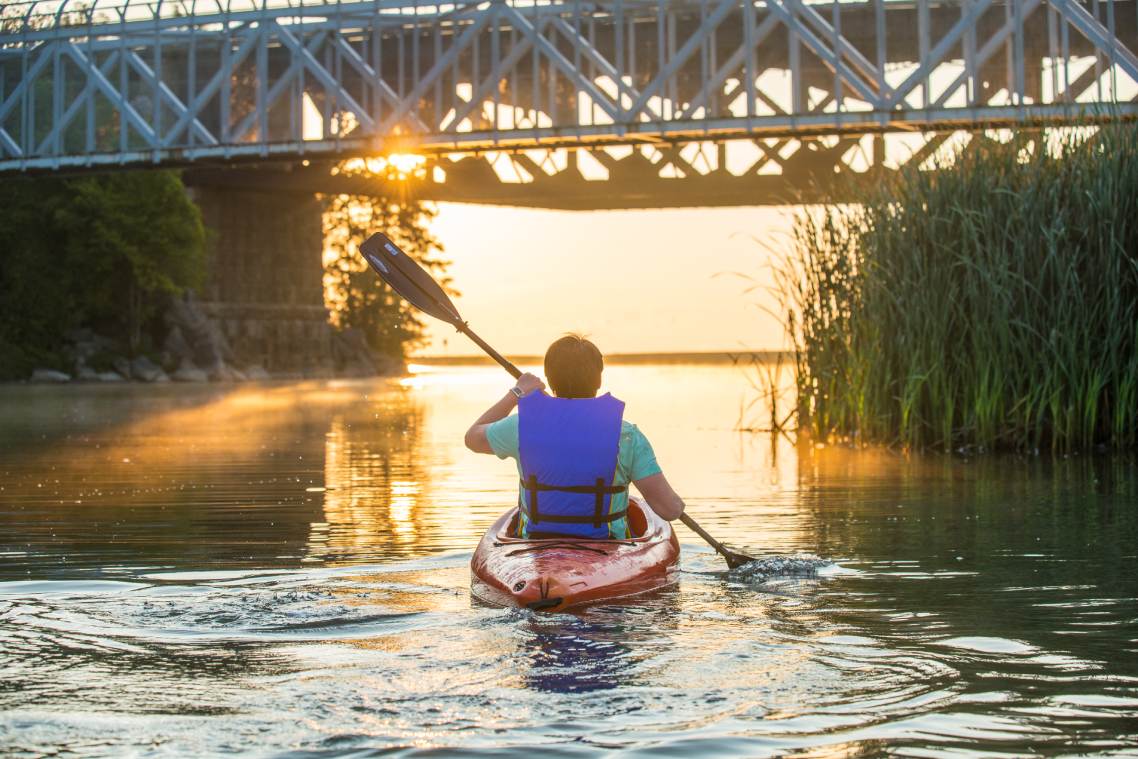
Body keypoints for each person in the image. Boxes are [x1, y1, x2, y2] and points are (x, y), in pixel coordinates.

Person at [464, 334, 685, 539]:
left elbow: (472, 437)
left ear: (549, 381)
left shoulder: (520, 426)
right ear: (598, 379)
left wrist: (517, 392)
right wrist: (678, 505)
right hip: (608, 549)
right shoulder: (626, 435)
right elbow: (669, 509)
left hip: (535, 549)